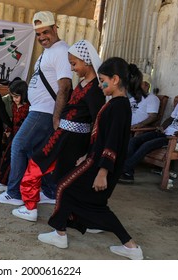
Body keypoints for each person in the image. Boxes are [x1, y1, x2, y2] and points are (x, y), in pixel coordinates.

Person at [38, 57, 144, 260]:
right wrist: (87, 155)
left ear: (115, 79)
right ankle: (131, 247)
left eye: (102, 80)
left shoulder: (119, 106)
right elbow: (103, 137)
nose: (100, 84)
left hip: (101, 166)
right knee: (89, 203)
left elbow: (112, 142)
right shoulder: (116, 104)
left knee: (64, 188)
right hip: (95, 160)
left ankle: (60, 234)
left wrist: (103, 172)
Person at [9, 39, 106, 222]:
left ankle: (31, 209)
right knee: (61, 176)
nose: (71, 69)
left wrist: (89, 152)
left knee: (37, 165)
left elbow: (97, 124)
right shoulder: (84, 84)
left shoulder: (95, 90)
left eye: (74, 64)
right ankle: (65, 213)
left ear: (86, 61)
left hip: (72, 140)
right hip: (64, 136)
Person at [0, 11, 72, 204]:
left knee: (19, 145)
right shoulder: (49, 51)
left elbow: (65, 86)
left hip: (44, 112)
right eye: (38, 34)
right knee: (36, 152)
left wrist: (56, 117)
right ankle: (49, 191)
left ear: (55, 28)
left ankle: (14, 193)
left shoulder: (61, 50)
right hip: (39, 109)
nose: (42, 37)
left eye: (45, 32)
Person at [120, 83, 178, 183]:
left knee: (147, 145)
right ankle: (128, 172)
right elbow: (171, 118)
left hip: (174, 138)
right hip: (165, 132)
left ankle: (124, 170)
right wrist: (162, 127)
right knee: (134, 141)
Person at [0, 80, 30, 192]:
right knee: (7, 159)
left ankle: (11, 184)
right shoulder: (14, 106)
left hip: (23, 139)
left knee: (17, 162)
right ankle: (4, 182)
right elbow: (13, 121)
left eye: (17, 96)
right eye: (13, 97)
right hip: (13, 137)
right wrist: (9, 129)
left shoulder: (28, 108)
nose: (15, 99)